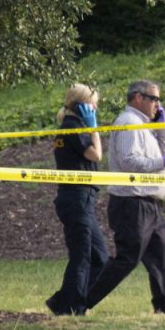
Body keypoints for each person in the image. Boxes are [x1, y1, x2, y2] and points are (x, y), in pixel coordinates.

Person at [83, 80, 165, 313]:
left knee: (162, 259)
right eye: (154, 99)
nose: (158, 104)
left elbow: (164, 153)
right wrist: (163, 162)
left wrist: (163, 128)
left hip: (152, 204)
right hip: (132, 203)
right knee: (127, 259)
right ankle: (80, 301)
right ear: (138, 98)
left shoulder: (145, 125)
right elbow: (130, 162)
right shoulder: (128, 122)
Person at [45, 84, 109, 316]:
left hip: (81, 199)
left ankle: (64, 301)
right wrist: (94, 129)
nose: (95, 109)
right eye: (93, 104)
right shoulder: (73, 128)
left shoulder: (69, 128)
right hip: (77, 198)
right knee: (82, 257)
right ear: (81, 106)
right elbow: (96, 154)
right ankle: (70, 308)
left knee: (100, 258)